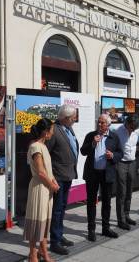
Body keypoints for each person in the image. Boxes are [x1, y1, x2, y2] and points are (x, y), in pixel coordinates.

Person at [80, 114, 123, 242]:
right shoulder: (91, 135)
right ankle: (91, 230)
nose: (99, 125)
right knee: (91, 202)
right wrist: (93, 143)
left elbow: (121, 153)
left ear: (108, 125)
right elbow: (83, 151)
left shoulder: (114, 136)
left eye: (102, 123)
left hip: (107, 173)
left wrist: (113, 155)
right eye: (98, 122)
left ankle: (105, 228)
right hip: (92, 174)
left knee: (107, 202)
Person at [23, 118, 59, 262]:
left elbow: (47, 170)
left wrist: (53, 180)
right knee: (36, 222)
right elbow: (40, 172)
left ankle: (44, 253)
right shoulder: (36, 147)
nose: (52, 133)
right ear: (45, 132)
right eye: (51, 130)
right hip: (39, 188)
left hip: (46, 188)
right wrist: (52, 185)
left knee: (44, 222)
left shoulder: (42, 146)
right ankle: (33, 255)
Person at [46, 104, 78, 255]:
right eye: (73, 118)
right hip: (58, 176)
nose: (75, 120)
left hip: (68, 174)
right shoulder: (54, 130)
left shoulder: (68, 128)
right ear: (65, 118)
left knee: (63, 207)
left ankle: (59, 234)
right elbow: (47, 155)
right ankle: (54, 242)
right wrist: (51, 177)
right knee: (57, 210)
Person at [115, 114, 139, 230]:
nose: (132, 130)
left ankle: (127, 215)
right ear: (126, 124)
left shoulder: (137, 131)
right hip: (121, 163)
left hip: (132, 163)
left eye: (134, 128)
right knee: (122, 192)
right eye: (131, 128)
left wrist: (134, 129)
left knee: (129, 191)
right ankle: (121, 220)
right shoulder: (118, 131)